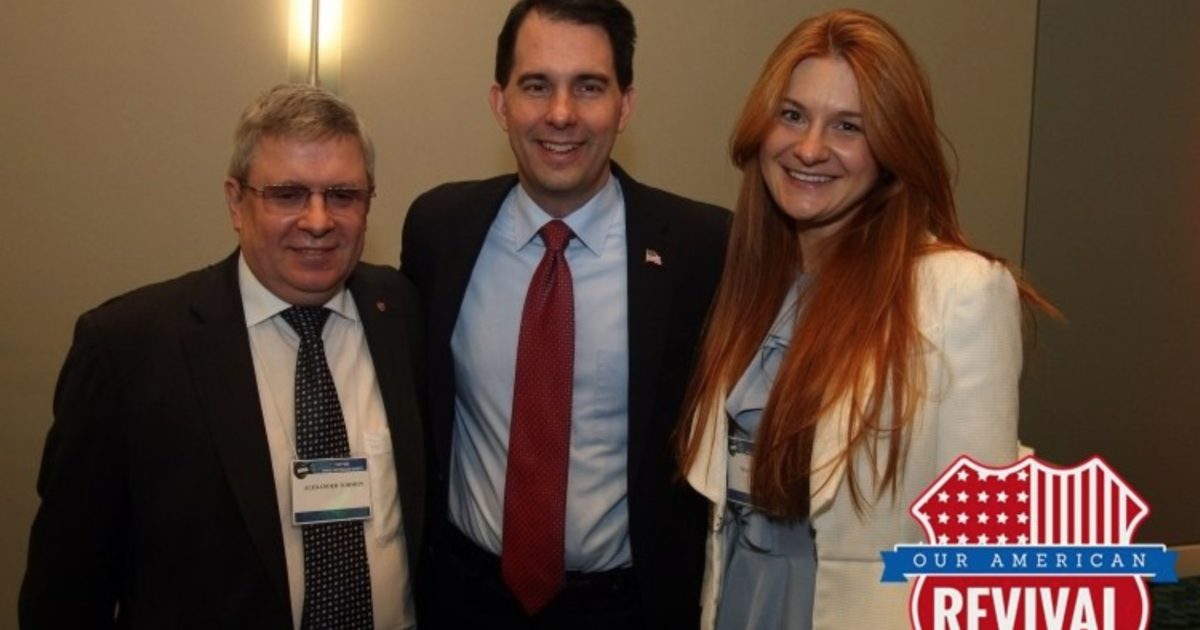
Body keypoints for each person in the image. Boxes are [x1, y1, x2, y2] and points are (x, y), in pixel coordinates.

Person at [677, 9, 1056, 630]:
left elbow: (985, 551)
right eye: (792, 115)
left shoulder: (959, 290)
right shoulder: (750, 281)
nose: (809, 148)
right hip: (739, 600)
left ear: (891, 150)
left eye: (848, 126)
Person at [20, 84, 425, 629]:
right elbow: (67, 587)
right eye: (287, 194)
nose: (318, 220)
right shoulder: (127, 350)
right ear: (236, 202)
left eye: (342, 195)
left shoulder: (401, 313)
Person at [400, 0, 730, 627]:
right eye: (536, 85)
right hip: (464, 598)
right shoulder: (438, 228)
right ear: (500, 103)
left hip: (629, 607)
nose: (560, 113)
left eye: (588, 87)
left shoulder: (702, 248)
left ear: (625, 105)